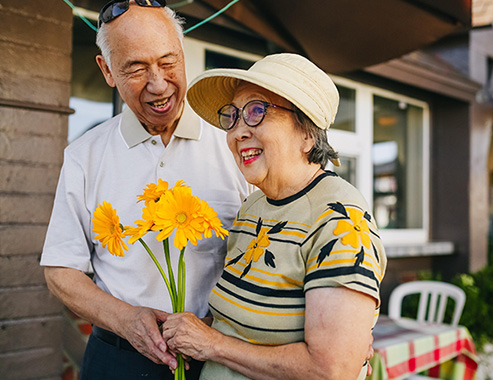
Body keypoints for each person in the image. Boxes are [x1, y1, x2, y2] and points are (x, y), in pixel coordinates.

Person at [40, 1, 250, 379]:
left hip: (225, 359)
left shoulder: (235, 143)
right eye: (136, 68)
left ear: (183, 55)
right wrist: (126, 320)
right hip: (118, 358)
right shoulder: (84, 156)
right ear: (107, 71)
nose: (158, 84)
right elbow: (60, 270)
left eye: (168, 62)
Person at [162, 53, 387, 380]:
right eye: (233, 116)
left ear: (307, 132)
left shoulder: (339, 220)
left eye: (256, 111)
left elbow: (331, 370)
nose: (238, 132)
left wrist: (212, 345)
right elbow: (245, 325)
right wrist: (190, 331)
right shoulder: (253, 208)